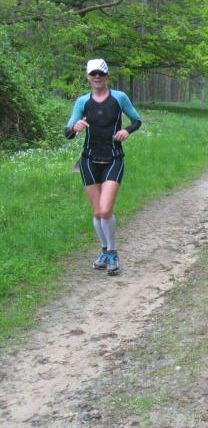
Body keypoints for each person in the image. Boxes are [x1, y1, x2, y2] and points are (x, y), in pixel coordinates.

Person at [65, 59, 142, 275]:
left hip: (114, 158)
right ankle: (105, 251)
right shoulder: (82, 102)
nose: (97, 77)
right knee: (98, 211)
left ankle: (113, 252)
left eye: (101, 73)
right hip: (89, 161)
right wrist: (75, 127)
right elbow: (68, 133)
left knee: (106, 209)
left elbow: (137, 120)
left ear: (107, 76)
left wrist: (127, 131)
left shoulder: (119, 98)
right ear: (88, 77)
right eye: (93, 74)